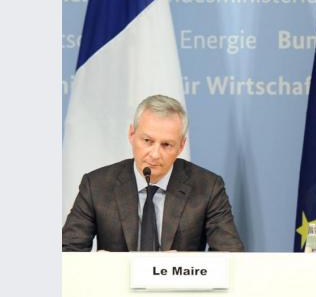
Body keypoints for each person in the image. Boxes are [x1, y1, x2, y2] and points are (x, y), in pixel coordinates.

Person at [62, 95, 245, 252]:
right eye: (148, 141)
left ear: (181, 146)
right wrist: (102, 266)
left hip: (179, 291)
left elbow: (231, 255)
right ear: (132, 135)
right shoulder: (97, 185)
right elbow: (68, 251)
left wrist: (187, 265)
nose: (155, 154)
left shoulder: (207, 187)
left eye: (166, 145)